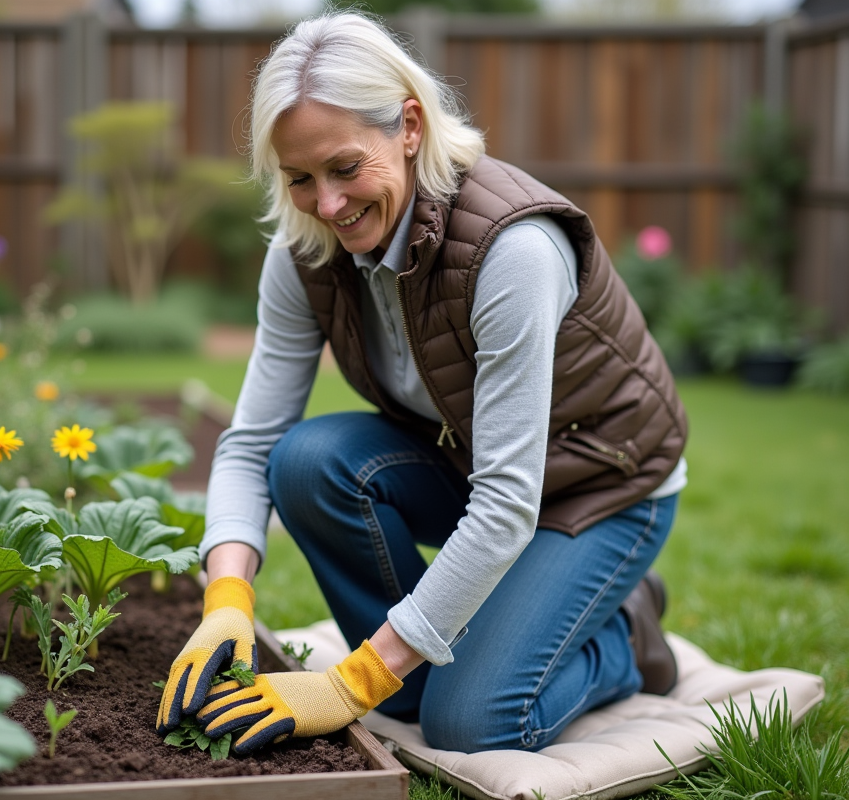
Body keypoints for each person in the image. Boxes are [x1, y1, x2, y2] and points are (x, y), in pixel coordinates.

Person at [155, 10, 688, 756]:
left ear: (409, 126)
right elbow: (250, 442)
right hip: (474, 463)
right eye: (299, 178)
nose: (328, 205)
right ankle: (410, 673)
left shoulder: (514, 251)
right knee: (306, 462)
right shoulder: (306, 251)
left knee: (471, 721)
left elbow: (508, 502)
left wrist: (351, 683)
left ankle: (627, 630)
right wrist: (227, 598)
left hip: (600, 485)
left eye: (345, 168)